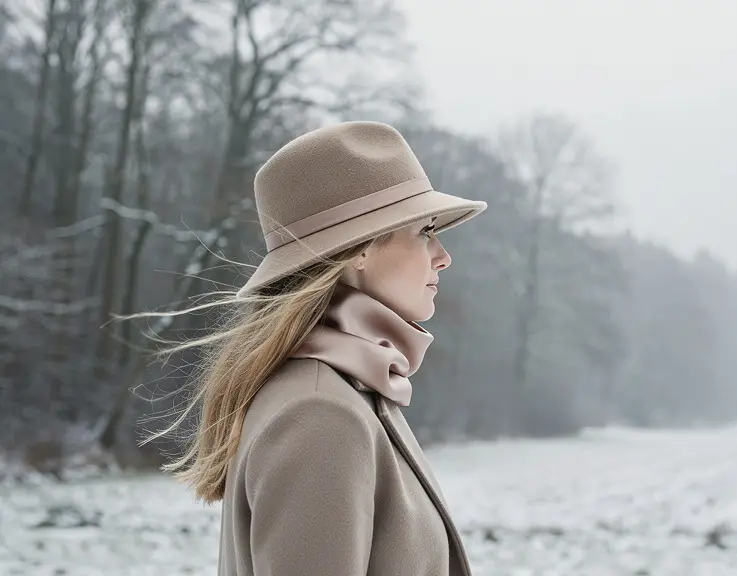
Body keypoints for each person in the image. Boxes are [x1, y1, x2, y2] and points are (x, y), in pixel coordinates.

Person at [131, 121, 487, 575]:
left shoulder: (344, 393)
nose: (442, 255)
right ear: (360, 248)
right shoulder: (321, 413)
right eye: (425, 230)